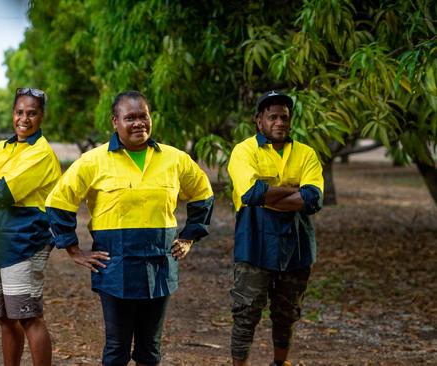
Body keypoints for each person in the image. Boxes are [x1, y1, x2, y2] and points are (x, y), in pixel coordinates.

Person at [45, 90, 215, 366]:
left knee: (150, 349)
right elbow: (59, 201)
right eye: (130, 117)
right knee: (116, 349)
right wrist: (73, 250)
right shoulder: (93, 161)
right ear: (115, 122)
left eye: (143, 116)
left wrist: (189, 237)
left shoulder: (175, 159)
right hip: (115, 266)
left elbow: (202, 194)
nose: (139, 123)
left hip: (160, 264)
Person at [226, 91, 324, 366]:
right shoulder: (244, 151)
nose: (279, 122)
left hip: (297, 245)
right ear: (259, 121)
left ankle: (280, 362)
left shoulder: (306, 154)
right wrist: (293, 193)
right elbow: (251, 194)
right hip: (254, 241)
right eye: (273, 117)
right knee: (246, 311)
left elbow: (313, 199)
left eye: (284, 117)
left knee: (287, 312)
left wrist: (271, 195)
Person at [0, 87, 60, 366]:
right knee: (5, 318)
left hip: (24, 241)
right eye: (20, 112)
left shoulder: (41, 153)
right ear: (12, 114)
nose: (24, 118)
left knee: (28, 316)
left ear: (42, 116)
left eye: (32, 113)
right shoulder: (2, 147)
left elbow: (1, 193)